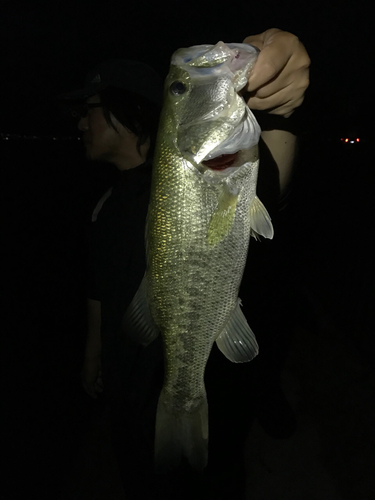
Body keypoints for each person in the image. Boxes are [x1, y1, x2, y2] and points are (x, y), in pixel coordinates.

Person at [62, 29, 310, 499]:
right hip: (126, 400)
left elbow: (270, 180)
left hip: (184, 385)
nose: (80, 124)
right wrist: (94, 349)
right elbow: (99, 286)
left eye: (89, 111)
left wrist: (282, 111)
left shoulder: (207, 166)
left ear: (128, 111)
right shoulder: (103, 206)